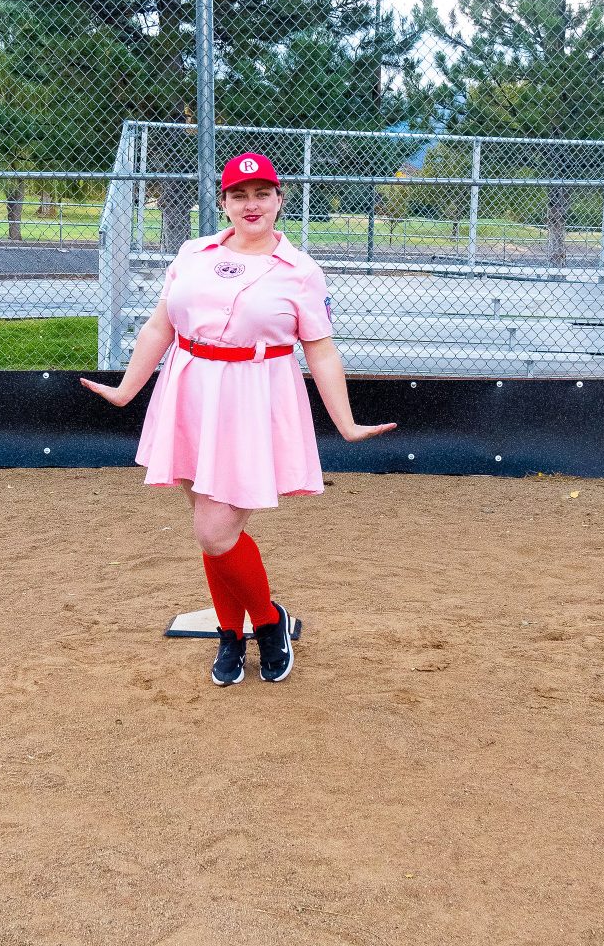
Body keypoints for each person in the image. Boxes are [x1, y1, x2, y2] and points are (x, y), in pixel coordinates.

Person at [81, 152, 396, 686]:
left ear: (279, 200)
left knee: (215, 530)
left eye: (262, 194)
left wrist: (345, 422)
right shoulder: (193, 253)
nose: (251, 205)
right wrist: (127, 389)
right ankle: (231, 634)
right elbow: (161, 325)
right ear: (223, 202)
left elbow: (320, 351)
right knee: (209, 527)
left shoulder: (299, 272)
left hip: (254, 399)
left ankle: (268, 623)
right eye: (239, 195)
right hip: (190, 391)